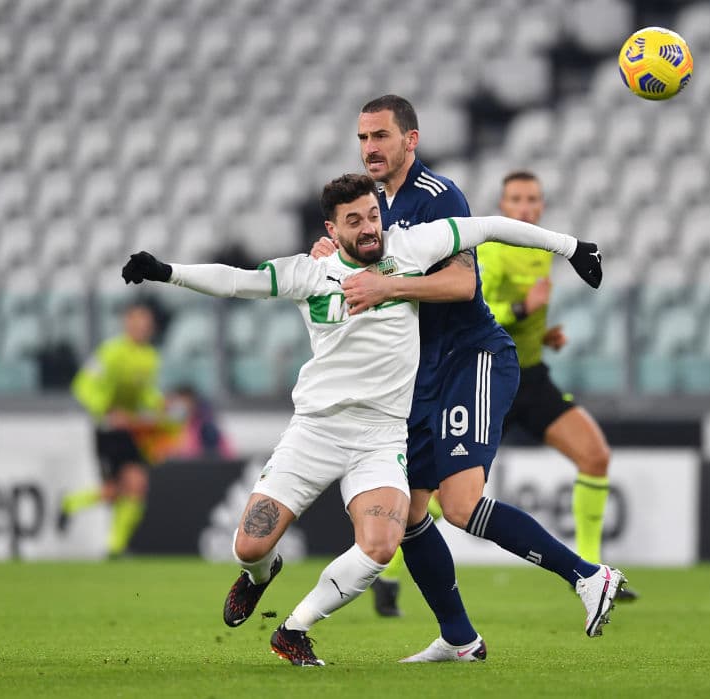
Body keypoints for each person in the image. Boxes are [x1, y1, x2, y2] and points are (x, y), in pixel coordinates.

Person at [120, 173, 604, 666]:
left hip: (382, 436)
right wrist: (166, 271)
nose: (370, 227)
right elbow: (236, 281)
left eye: (373, 214)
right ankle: (259, 575)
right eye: (354, 221)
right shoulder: (310, 273)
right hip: (315, 431)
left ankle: (294, 628)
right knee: (249, 547)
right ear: (332, 230)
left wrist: (571, 247)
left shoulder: (410, 248)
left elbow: (490, 226)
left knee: (380, 547)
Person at [313, 95, 628, 661]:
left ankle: (588, 576)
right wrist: (330, 253)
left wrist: (388, 287)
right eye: (362, 138)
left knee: (459, 505)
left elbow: (461, 285)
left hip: (471, 356)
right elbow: (363, 264)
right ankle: (459, 637)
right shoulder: (371, 204)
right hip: (421, 372)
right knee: (410, 511)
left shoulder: (438, 196)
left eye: (381, 136)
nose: (370, 148)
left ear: (411, 139)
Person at [477, 171, 637, 602]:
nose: (525, 207)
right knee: (448, 496)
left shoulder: (540, 250)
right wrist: (522, 308)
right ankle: (388, 575)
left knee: (595, 456)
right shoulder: (492, 249)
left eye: (532, 199)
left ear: (542, 205)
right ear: (503, 205)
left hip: (531, 376)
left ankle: (592, 573)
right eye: (516, 199)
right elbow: (478, 309)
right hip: (490, 380)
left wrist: (542, 335)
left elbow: (519, 321)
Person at [59, 303, 171, 557]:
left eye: (146, 324)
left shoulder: (150, 357)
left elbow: (145, 393)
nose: (142, 328)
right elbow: (83, 386)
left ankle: (115, 548)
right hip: (108, 430)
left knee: (137, 485)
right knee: (112, 491)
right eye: (137, 322)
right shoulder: (110, 352)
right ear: (127, 324)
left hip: (130, 430)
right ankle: (71, 503)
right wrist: (107, 411)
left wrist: (158, 404)